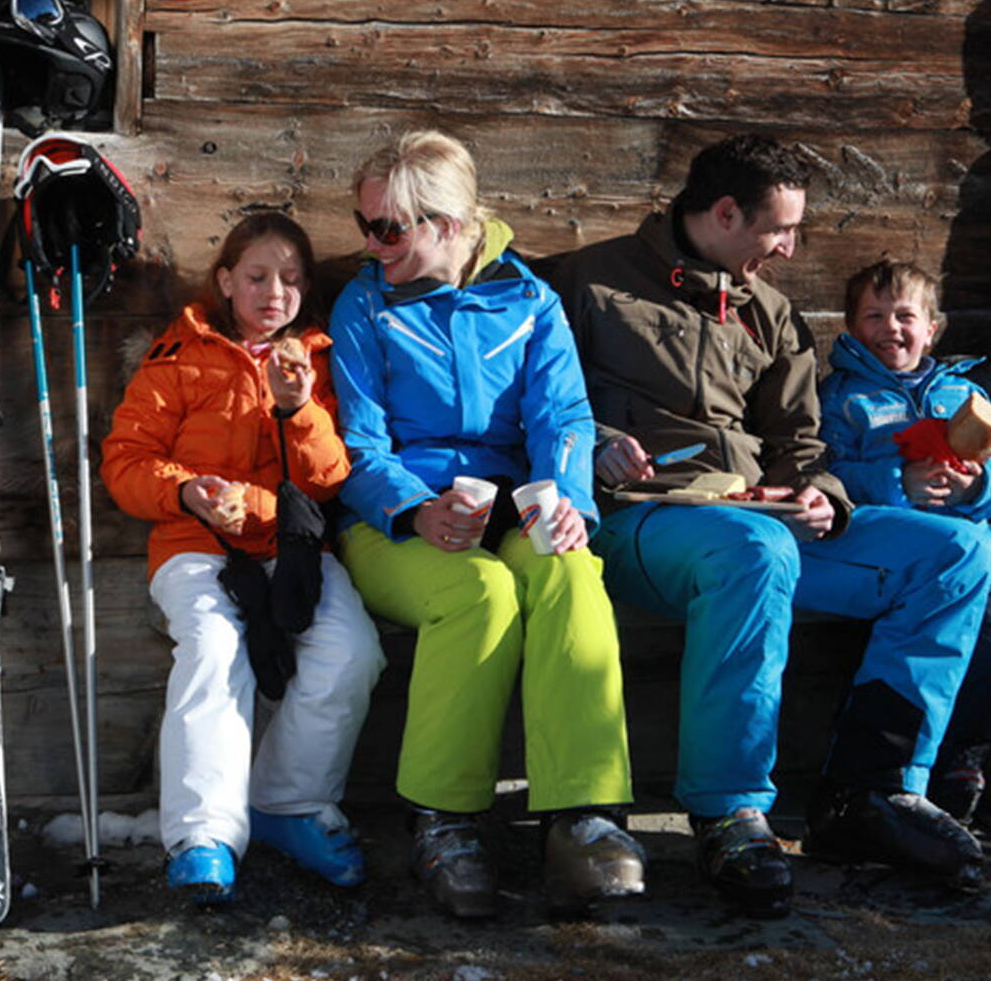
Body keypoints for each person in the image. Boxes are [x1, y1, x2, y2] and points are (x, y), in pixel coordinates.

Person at [550, 134, 989, 918]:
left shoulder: (772, 314)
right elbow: (533, 403)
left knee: (955, 552)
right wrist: (591, 448)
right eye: (779, 230)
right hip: (642, 524)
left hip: (759, 521)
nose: (788, 249)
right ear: (724, 213)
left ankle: (874, 791)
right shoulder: (590, 284)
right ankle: (729, 809)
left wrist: (821, 494)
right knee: (752, 553)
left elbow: (802, 441)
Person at [328, 129, 643, 918]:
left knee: (571, 573)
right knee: (481, 594)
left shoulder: (528, 299)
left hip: (507, 503)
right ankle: (443, 820)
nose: (373, 244)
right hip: (393, 524)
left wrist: (569, 496)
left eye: (390, 228)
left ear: (451, 226)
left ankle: (583, 817)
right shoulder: (366, 304)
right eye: (367, 225)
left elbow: (563, 414)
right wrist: (412, 507)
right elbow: (356, 446)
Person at [101, 211, 385, 903]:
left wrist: (299, 412)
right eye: (257, 276)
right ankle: (203, 836)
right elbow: (126, 462)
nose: (274, 292)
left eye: (290, 279)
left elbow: (327, 480)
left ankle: (287, 804)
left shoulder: (317, 361)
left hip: (291, 550)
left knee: (351, 649)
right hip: (196, 546)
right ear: (226, 281)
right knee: (212, 646)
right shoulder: (177, 356)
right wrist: (190, 493)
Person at [818, 259, 991, 822]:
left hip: (978, 560)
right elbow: (830, 472)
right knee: (888, 651)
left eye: (905, 315)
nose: (891, 328)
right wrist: (895, 482)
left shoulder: (963, 395)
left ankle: (963, 761)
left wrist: (976, 486)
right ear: (850, 327)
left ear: (931, 327)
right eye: (874, 316)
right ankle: (885, 775)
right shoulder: (842, 398)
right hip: (890, 558)